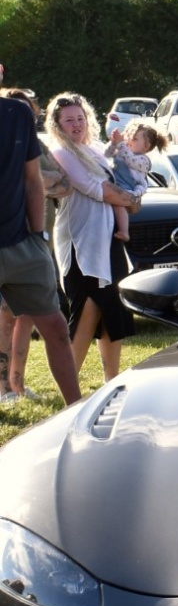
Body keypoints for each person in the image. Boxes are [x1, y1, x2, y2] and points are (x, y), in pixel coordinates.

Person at [45, 92, 139, 384]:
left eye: (80, 118)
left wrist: (128, 199)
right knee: (87, 307)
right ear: (57, 125)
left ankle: (112, 380)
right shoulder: (62, 153)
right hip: (81, 244)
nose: (77, 124)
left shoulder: (96, 150)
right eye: (69, 120)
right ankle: (69, 385)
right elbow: (96, 189)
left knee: (111, 310)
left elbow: (116, 183)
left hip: (107, 239)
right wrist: (132, 200)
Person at [0, 93, 81, 406]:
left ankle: (76, 412)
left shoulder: (17, 113)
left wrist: (37, 237)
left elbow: (32, 179)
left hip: (24, 245)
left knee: (57, 329)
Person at [105, 120, 166, 242]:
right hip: (114, 185)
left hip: (127, 188)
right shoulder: (122, 152)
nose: (128, 140)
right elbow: (106, 155)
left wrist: (121, 144)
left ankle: (124, 231)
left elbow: (130, 161)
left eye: (134, 138)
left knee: (118, 205)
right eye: (128, 136)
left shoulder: (143, 160)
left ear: (146, 146)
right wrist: (113, 143)